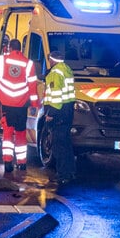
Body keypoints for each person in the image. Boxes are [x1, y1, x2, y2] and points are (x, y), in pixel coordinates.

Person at [0, 38, 39, 174]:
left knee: (7, 133)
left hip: (6, 103)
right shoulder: (29, 64)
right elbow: (33, 85)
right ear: (20, 49)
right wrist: (34, 103)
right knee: (21, 133)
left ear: (9, 47)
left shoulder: (2, 60)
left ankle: (8, 162)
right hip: (21, 104)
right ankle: (22, 163)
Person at [43, 50, 77, 183]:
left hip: (59, 112)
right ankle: (70, 172)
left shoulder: (55, 73)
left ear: (52, 60)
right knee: (67, 144)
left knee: (58, 145)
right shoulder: (66, 69)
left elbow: (56, 97)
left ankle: (62, 174)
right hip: (68, 111)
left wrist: (50, 114)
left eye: (49, 59)